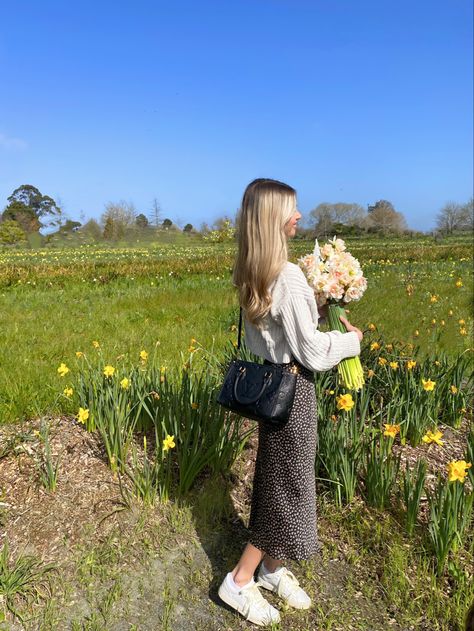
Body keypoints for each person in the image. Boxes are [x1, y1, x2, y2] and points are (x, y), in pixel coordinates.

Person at [217, 178, 364, 626]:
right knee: (287, 489)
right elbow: (315, 352)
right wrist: (350, 340)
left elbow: (279, 336)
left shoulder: (253, 272)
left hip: (270, 392)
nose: (299, 215)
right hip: (294, 394)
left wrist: (318, 311)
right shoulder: (291, 276)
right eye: (292, 209)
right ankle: (240, 581)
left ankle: (273, 568)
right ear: (273, 218)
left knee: (279, 480)